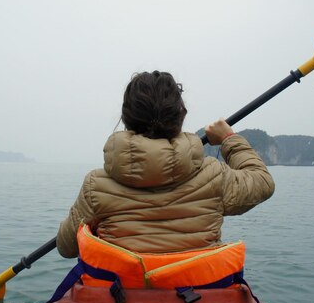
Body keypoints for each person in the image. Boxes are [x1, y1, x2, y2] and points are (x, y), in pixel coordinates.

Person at [56, 70, 275, 258]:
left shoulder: (95, 186)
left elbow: (66, 247)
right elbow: (262, 181)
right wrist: (228, 139)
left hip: (123, 295)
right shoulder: (214, 175)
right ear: (180, 116)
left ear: (126, 118)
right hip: (194, 294)